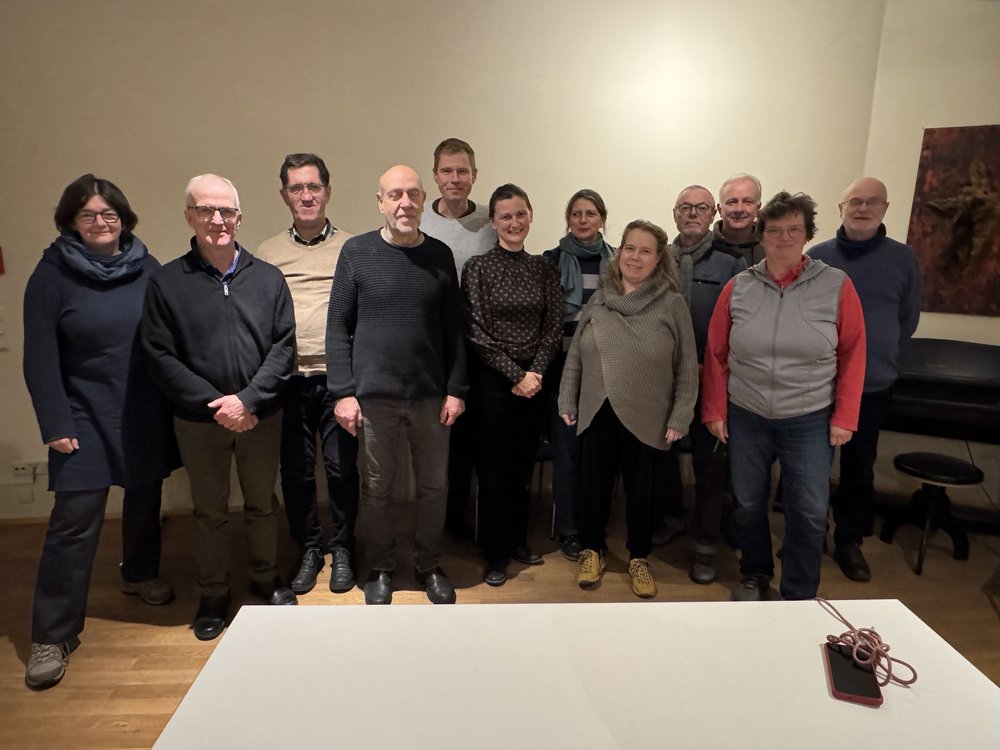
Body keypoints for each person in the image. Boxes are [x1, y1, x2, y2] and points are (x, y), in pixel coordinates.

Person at [22, 174, 178, 690]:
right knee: (74, 521)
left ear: (124, 219)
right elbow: (39, 356)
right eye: (88, 215)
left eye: (109, 214)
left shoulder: (146, 268)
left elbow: (166, 338)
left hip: (140, 407)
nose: (100, 223)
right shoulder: (51, 276)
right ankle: (52, 633)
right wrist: (55, 422)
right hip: (81, 412)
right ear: (71, 221)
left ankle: (139, 572)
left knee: (143, 497)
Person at [141, 174, 297, 641]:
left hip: (260, 415)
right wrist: (218, 405)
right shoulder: (167, 282)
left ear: (239, 217)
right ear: (189, 215)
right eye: (206, 210)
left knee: (262, 504)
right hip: (199, 420)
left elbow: (284, 347)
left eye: (226, 211)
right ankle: (212, 594)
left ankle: (266, 579)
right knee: (208, 510)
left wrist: (247, 400)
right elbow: (159, 355)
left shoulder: (268, 278)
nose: (217, 220)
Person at [702, 191, 866, 601]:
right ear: (762, 234)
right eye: (775, 229)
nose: (784, 237)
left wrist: (845, 416)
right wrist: (715, 410)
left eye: (794, 229)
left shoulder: (836, 285)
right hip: (747, 412)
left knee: (810, 514)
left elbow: (853, 352)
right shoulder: (739, 286)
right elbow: (716, 354)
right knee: (748, 504)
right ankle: (755, 573)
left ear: (807, 235)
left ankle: (798, 593)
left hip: (809, 416)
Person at [326, 165, 467, 606]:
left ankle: (428, 564)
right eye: (395, 195)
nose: (404, 203)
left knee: (433, 487)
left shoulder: (440, 255)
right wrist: (343, 392)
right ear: (381, 202)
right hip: (373, 399)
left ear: (424, 200)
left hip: (430, 397)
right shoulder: (356, 252)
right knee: (377, 488)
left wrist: (457, 388)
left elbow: (454, 329)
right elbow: (337, 326)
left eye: (412, 194)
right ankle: (382, 566)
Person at [559, 220, 698, 599]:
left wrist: (681, 414)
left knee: (643, 493)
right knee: (592, 488)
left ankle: (639, 557)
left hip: (649, 413)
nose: (635, 257)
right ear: (619, 253)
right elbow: (576, 353)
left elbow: (686, 364)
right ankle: (593, 550)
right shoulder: (599, 299)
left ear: (659, 259)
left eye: (646, 251)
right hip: (596, 408)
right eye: (629, 249)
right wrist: (567, 396)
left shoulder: (672, 303)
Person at [808, 177, 921, 582]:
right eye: (854, 201)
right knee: (811, 463)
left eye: (872, 202)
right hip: (818, 382)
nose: (862, 208)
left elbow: (906, 321)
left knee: (859, 465)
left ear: (885, 209)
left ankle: (849, 540)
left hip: (871, 385)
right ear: (840, 207)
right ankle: (811, 533)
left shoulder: (903, 260)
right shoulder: (816, 257)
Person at [256, 153, 360, 596]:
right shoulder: (266, 253)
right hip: (289, 380)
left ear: (327, 192)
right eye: (296, 188)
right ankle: (310, 548)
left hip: (340, 380)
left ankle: (344, 547)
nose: (305, 195)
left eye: (313, 186)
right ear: (284, 195)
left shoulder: (355, 248)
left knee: (341, 470)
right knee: (296, 472)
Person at [463, 184, 562, 586]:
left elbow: (553, 327)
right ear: (493, 222)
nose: (514, 222)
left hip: (534, 383)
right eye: (505, 216)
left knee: (522, 470)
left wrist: (534, 373)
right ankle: (496, 553)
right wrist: (516, 375)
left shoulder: (543, 268)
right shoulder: (478, 268)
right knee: (494, 474)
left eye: (520, 214)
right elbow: (475, 331)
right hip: (493, 383)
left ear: (531, 215)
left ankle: (519, 541)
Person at [668, 185, 746, 584]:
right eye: (685, 207)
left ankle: (705, 548)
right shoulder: (656, 258)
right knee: (657, 459)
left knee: (710, 469)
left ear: (712, 211)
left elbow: (739, 326)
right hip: (660, 382)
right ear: (675, 213)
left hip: (710, 381)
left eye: (701, 207)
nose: (692, 213)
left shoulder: (731, 265)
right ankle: (665, 522)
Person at [420, 138, 497, 541]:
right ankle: (443, 520)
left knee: (475, 437)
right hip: (436, 346)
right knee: (441, 439)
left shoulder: (491, 221)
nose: (455, 178)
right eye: (447, 171)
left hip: (484, 345)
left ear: (474, 175)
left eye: (462, 171)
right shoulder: (419, 221)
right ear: (435, 176)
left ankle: (473, 520)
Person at [542, 189, 615, 562]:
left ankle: (594, 529)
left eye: (591, 213)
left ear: (602, 218)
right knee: (568, 454)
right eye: (576, 214)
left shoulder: (620, 262)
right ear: (567, 220)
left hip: (607, 372)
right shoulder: (551, 261)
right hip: (562, 370)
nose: (583, 220)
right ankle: (570, 530)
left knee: (597, 455)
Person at [712, 173, 765, 265]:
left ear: (758, 208)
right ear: (720, 209)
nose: (739, 209)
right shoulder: (704, 249)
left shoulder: (772, 248)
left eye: (747, 202)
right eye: (732, 202)